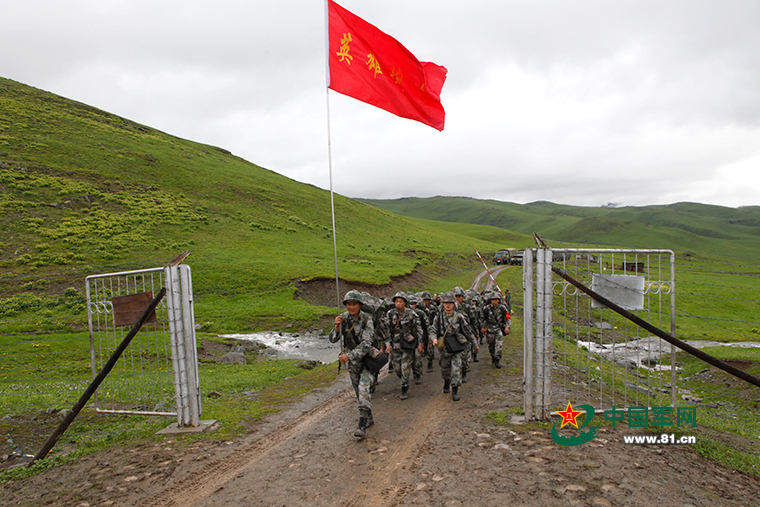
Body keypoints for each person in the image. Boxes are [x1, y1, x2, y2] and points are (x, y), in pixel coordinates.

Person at [329, 290, 377, 438]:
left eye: (354, 304)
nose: (351, 307)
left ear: (360, 305)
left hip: (366, 360)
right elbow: (332, 339)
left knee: (363, 389)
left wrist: (349, 356)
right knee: (358, 392)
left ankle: (361, 425)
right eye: (349, 304)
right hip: (352, 364)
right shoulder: (343, 318)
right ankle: (368, 416)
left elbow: (366, 343)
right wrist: (337, 327)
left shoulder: (367, 319)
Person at [432, 292, 478, 401]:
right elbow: (433, 329)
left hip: (456, 345)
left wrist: (474, 343)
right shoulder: (439, 317)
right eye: (446, 303)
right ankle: (447, 382)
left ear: (454, 304)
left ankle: (455, 389)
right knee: (445, 369)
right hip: (444, 347)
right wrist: (433, 338)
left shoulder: (459, 317)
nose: (448, 305)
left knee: (456, 369)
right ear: (443, 304)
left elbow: (467, 331)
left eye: (450, 303)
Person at [381, 292, 423, 400]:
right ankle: (405, 378)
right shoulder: (390, 314)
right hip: (395, 344)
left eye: (400, 301)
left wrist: (420, 343)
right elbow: (386, 330)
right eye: (396, 301)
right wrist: (387, 344)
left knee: (405, 366)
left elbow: (418, 328)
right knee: (397, 368)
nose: (398, 304)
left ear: (404, 303)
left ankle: (404, 387)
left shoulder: (411, 313)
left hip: (407, 343)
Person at [480, 290, 510, 368]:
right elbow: (482, 318)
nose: (494, 301)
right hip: (490, 328)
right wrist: (482, 327)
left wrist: (507, 326)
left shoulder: (502, 308)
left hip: (499, 328)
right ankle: (493, 356)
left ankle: (497, 359)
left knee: (499, 344)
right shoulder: (486, 308)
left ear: (498, 300)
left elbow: (507, 317)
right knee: (491, 345)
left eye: (496, 299)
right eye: (492, 300)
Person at [409, 294, 433, 385]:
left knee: (419, 357)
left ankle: (418, 373)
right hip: (410, 338)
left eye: (414, 303)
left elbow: (427, 324)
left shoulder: (420, 313)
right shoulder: (405, 314)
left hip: (422, 334)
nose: (412, 305)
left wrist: (431, 335)